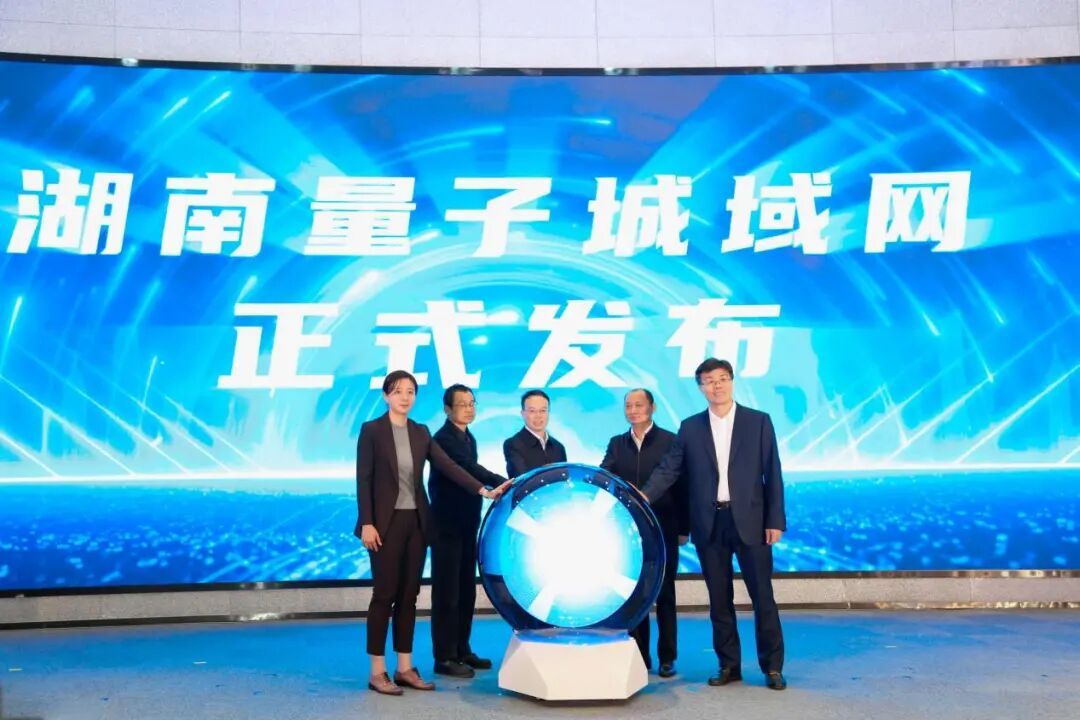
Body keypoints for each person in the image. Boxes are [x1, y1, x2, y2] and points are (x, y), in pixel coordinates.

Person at [355, 370, 505, 696]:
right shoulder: (372, 431)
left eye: (410, 391)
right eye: (398, 391)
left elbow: (448, 466)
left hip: (418, 523)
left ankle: (405, 668)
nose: (405, 397)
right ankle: (377, 671)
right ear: (386, 396)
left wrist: (483, 490)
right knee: (384, 595)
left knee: (409, 596)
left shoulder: (420, 432)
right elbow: (363, 478)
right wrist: (367, 522)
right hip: (384, 524)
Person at [642, 358, 788, 691]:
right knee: (719, 600)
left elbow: (773, 472)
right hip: (709, 524)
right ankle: (728, 665)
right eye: (708, 381)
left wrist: (775, 520)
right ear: (701, 388)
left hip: (752, 522)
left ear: (731, 381)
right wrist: (644, 495)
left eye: (722, 379)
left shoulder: (758, 422)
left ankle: (772, 667)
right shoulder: (690, 427)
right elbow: (669, 469)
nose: (716, 386)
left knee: (763, 597)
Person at [600, 388, 689, 678]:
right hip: (628, 531)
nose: (633, 410)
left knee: (665, 593)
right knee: (635, 593)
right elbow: (605, 475)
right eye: (629, 405)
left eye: (639, 405)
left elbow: (682, 487)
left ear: (652, 407)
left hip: (664, 527)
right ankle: (640, 656)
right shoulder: (617, 443)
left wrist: (684, 527)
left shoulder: (671, 441)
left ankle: (667, 657)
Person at [429, 384, 509, 679]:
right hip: (447, 525)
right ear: (447, 409)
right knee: (447, 593)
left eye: (472, 403)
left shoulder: (467, 436)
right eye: (462, 404)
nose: (469, 408)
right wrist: (501, 481)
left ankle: (462, 650)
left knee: (465, 590)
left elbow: (471, 466)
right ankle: (445, 656)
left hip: (467, 523)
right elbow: (467, 469)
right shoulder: (443, 439)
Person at [503, 389, 567, 477]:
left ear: (548, 413)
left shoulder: (558, 447)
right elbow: (521, 479)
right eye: (532, 411)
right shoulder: (513, 444)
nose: (538, 416)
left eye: (543, 411)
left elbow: (564, 479)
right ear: (523, 413)